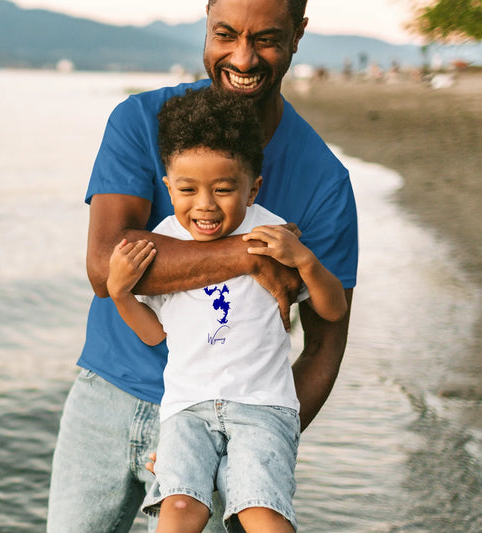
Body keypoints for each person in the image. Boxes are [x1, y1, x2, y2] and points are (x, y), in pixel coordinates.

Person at [47, 0, 358, 531]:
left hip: (230, 419)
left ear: (298, 34)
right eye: (225, 34)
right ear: (207, 26)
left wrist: (257, 443)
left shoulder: (324, 180)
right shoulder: (140, 121)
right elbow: (105, 268)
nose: (242, 56)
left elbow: (327, 338)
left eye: (265, 38)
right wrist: (246, 256)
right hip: (106, 396)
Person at [107, 87, 348, 533]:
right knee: (179, 510)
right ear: (168, 186)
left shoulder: (274, 235)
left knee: (262, 512)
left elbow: (331, 311)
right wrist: (121, 294)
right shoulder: (162, 241)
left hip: (262, 406)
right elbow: (154, 334)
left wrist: (307, 262)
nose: (204, 204)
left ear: (252, 187)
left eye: (222, 189)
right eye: (187, 189)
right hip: (187, 409)